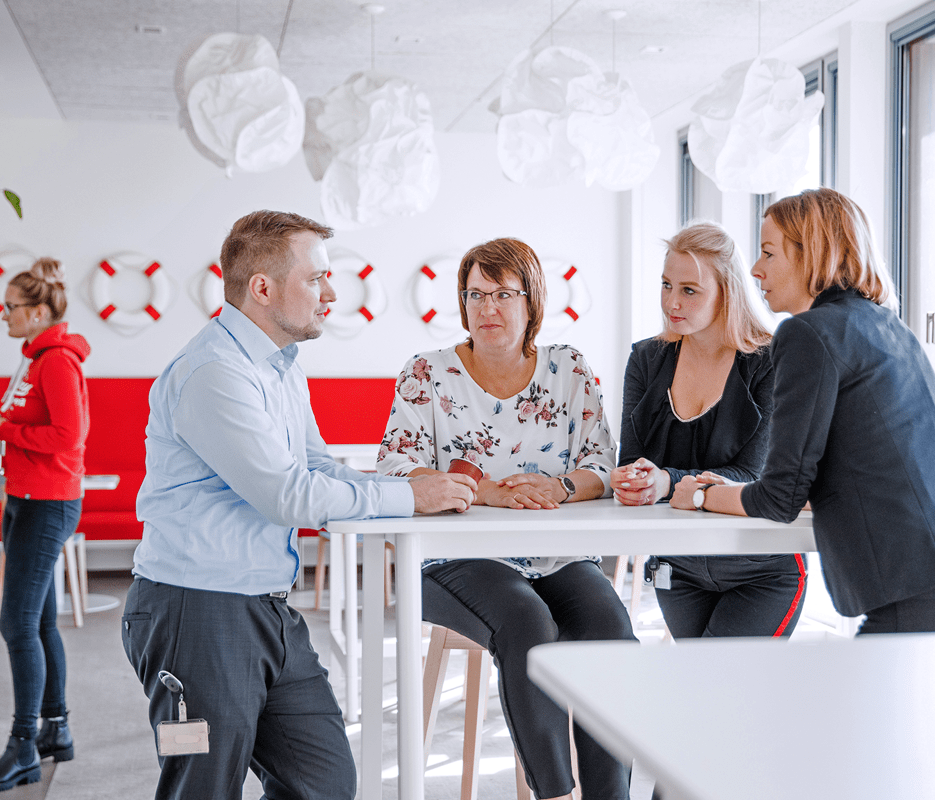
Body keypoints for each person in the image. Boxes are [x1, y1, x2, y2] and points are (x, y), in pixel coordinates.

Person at [121, 210, 475, 800]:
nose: (331, 293)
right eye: (316, 279)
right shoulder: (214, 372)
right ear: (263, 288)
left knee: (325, 783)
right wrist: (411, 497)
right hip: (196, 613)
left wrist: (410, 486)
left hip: (268, 608)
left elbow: (316, 468)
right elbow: (287, 495)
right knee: (202, 788)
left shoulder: (280, 367)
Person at [377, 238, 635, 800]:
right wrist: (487, 490)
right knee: (528, 624)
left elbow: (600, 464)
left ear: (531, 301)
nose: (485, 308)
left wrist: (558, 486)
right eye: (474, 295)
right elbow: (397, 467)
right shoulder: (428, 373)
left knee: (610, 631)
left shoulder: (569, 369)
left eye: (501, 294)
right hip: (455, 563)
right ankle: (557, 796)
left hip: (557, 557)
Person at [671, 188, 935, 635]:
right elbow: (866, 464)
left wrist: (699, 495)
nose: (755, 270)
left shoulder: (807, 334)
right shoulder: (888, 327)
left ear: (811, 254)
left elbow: (780, 498)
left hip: (906, 583)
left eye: (769, 253)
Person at [610, 222, 807, 639]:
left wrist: (666, 481)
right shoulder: (646, 360)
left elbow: (755, 475)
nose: (671, 302)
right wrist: (631, 479)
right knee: (699, 697)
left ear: (727, 292)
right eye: (666, 285)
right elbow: (631, 460)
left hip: (761, 568)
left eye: (688, 290)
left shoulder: (769, 361)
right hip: (677, 569)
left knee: (730, 694)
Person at [0, 258, 91, 793]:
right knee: (38, 624)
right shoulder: (35, 359)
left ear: (38, 312)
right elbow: (30, 425)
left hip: (46, 502)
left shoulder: (56, 361)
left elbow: (68, 436)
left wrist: (3, 428)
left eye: (12, 307)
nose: (4, 315)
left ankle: (22, 748)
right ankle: (55, 729)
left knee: (17, 625)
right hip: (24, 497)